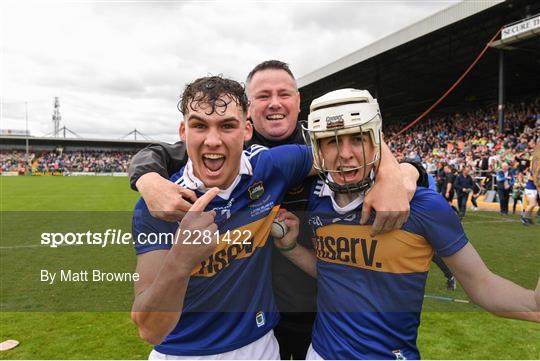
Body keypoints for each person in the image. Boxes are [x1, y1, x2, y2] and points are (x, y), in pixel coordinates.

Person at [128, 60, 425, 359]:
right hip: (186, 351)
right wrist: (180, 257)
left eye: (228, 125)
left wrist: (398, 171)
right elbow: (151, 331)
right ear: (183, 131)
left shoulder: (272, 165)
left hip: (279, 338)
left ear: (246, 129)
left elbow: (349, 149)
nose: (213, 140)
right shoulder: (160, 203)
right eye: (199, 126)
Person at [272, 88, 540, 360]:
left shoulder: (425, 207)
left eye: (358, 138)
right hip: (318, 353)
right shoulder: (316, 199)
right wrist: (291, 248)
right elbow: (334, 273)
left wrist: (535, 304)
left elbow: (483, 286)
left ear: (376, 142)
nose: (345, 154)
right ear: (317, 149)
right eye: (331, 141)